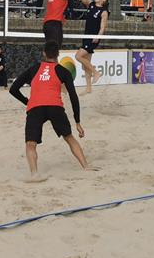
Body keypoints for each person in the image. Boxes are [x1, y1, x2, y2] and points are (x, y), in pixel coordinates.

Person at [9, 41, 92, 180]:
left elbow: (13, 89)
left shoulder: (34, 69)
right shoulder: (63, 71)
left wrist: (27, 102)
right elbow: (73, 97)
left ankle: (34, 174)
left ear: (44, 53)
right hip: (55, 107)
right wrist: (77, 121)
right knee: (69, 138)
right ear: (58, 54)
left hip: (35, 107)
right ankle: (85, 166)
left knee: (30, 144)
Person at [74, 0, 109, 94]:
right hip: (86, 36)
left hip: (94, 38)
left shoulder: (104, 12)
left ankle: (96, 72)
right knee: (86, 64)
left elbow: (103, 27)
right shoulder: (91, 4)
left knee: (78, 56)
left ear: (103, 0)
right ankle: (88, 88)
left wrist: (98, 37)